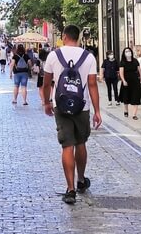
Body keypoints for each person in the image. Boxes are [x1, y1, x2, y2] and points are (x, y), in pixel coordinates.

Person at [42, 25, 101, 205]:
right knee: (81, 142)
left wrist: (46, 102)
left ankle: (70, 189)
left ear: (64, 36)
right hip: (81, 106)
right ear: (78, 37)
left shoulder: (54, 55)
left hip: (61, 105)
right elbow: (92, 85)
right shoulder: (88, 57)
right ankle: (81, 179)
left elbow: (46, 83)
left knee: (67, 145)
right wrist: (97, 110)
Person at [119, 47, 141, 119]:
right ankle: (126, 110)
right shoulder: (122, 62)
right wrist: (123, 80)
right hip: (126, 81)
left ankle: (134, 115)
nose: (128, 52)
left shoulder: (135, 61)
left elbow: (139, 71)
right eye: (126, 51)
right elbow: (121, 72)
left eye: (129, 51)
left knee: (136, 97)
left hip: (135, 81)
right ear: (124, 53)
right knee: (126, 97)